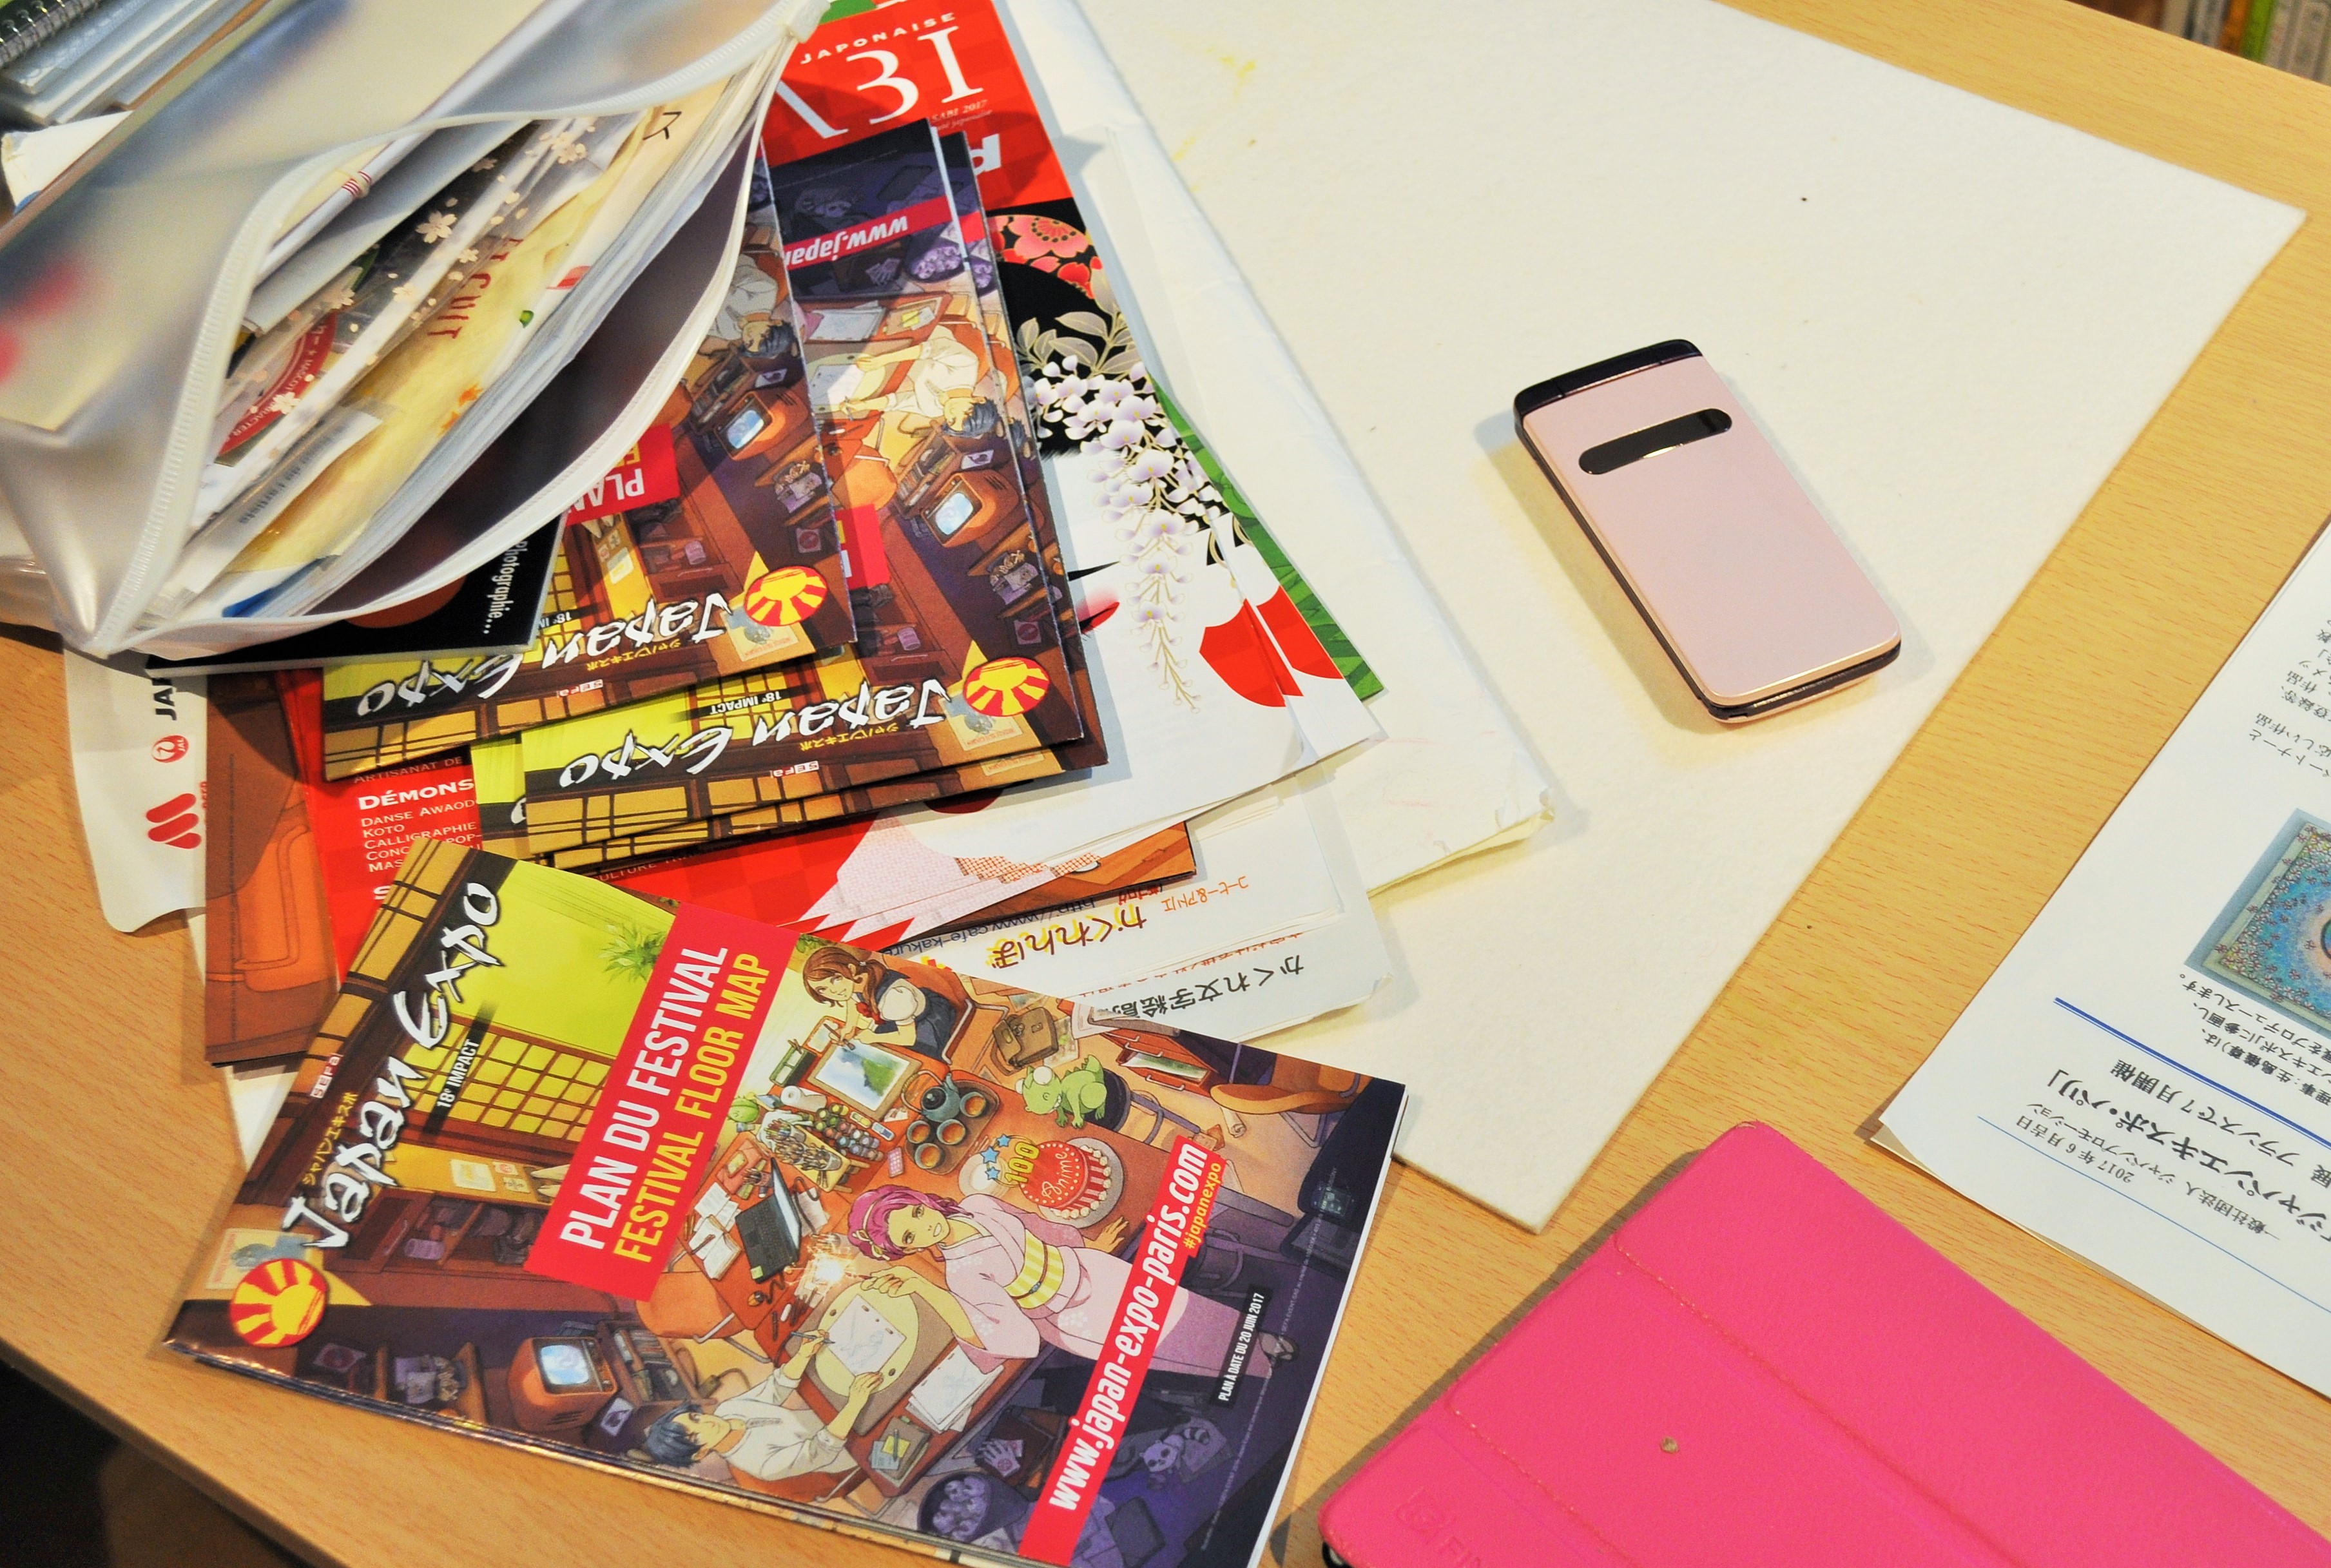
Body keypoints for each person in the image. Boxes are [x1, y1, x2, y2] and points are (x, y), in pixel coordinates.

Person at [844, 1188, 1297, 1378]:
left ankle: (1260, 1338)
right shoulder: (961, 1275)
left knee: (1185, 1307)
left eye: (917, 1212)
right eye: (910, 1236)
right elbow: (1016, 1340)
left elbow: (1039, 1226)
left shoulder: (978, 1203)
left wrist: (1092, 1244)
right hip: (1074, 1319)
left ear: (922, 1201)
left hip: (1092, 1269)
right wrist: (925, 1289)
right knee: (1175, 1345)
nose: (925, 1226)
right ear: (905, 1250)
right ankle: (1259, 1365)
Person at [637, 1329, 879, 1484]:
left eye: (696, 1418)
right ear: (700, 1454)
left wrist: (804, 1354)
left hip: (834, 1414)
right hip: (854, 1448)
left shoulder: (726, 1412)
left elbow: (776, 1387)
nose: (707, 1422)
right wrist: (855, 1403)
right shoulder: (760, 1465)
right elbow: (823, 1449)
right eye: (695, 1435)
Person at [800, 946, 960, 1063]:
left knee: (916, 1059)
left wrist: (874, 1037)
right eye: (822, 989)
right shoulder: (853, 985)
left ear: (851, 969)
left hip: (928, 1022)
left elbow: (908, 1038)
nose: (833, 991)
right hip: (901, 1021)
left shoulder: (894, 997)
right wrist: (849, 1027)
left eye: (836, 979)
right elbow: (852, 1000)